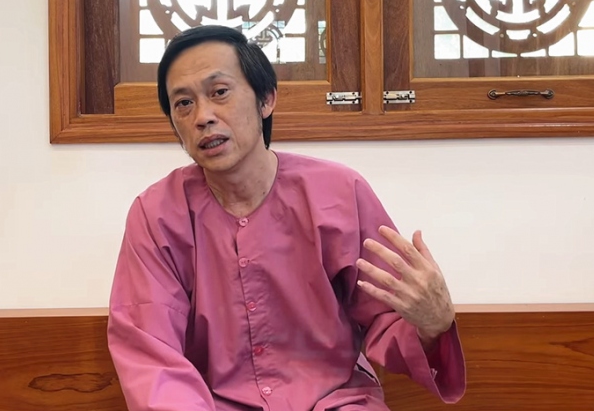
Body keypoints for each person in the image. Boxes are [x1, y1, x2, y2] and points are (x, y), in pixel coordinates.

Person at [107, 25, 466, 411]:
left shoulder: (339, 193)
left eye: (220, 92)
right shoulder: (156, 215)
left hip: (335, 402)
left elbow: (386, 318)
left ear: (266, 99)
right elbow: (151, 356)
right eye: (183, 103)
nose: (203, 117)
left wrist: (433, 324)